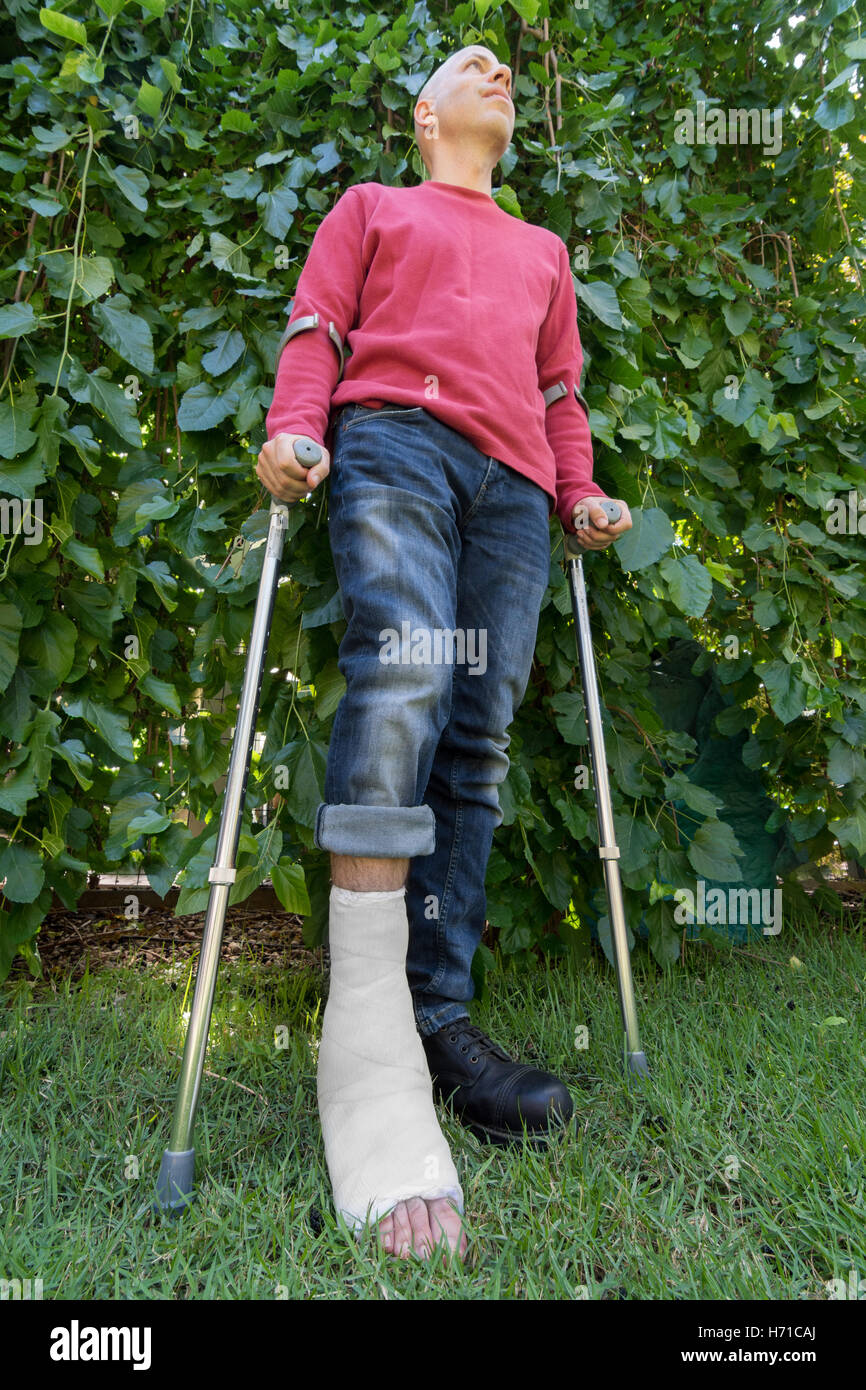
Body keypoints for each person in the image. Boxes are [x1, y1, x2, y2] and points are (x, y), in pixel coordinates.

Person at [258, 43, 633, 1264]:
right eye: (468, 66)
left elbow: (560, 392)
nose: (497, 71)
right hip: (398, 443)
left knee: (473, 742)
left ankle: (437, 1022)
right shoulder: (370, 210)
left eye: (504, 68)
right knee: (408, 663)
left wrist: (578, 492)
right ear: (424, 118)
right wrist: (292, 428)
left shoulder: (543, 255)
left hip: (515, 488)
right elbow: (316, 331)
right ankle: (364, 1045)